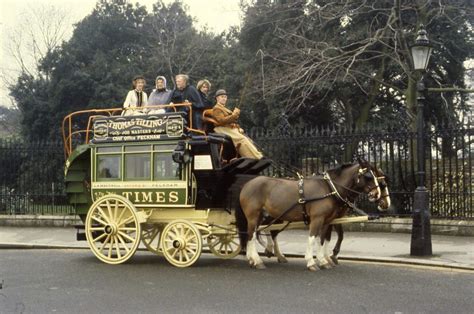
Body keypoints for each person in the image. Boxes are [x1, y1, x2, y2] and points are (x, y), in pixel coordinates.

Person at [212, 89, 263, 159]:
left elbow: (230, 119)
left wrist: (234, 116)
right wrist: (233, 115)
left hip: (228, 128)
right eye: (222, 97)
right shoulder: (216, 108)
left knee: (246, 138)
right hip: (222, 128)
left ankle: (257, 154)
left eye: (225, 97)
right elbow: (221, 121)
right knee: (241, 139)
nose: (224, 98)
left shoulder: (224, 108)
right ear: (217, 98)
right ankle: (251, 157)